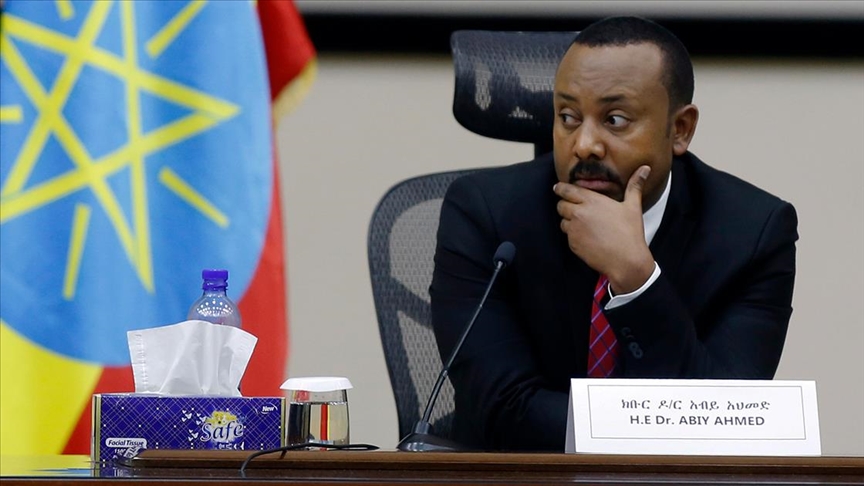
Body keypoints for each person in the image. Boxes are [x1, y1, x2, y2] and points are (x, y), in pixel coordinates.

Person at [430, 16, 798, 451]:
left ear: (680, 129)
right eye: (568, 117)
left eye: (616, 119)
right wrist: (643, 427)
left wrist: (637, 279)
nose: (584, 144)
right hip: (521, 476)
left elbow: (723, 420)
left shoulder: (753, 233)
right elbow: (501, 410)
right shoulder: (485, 215)